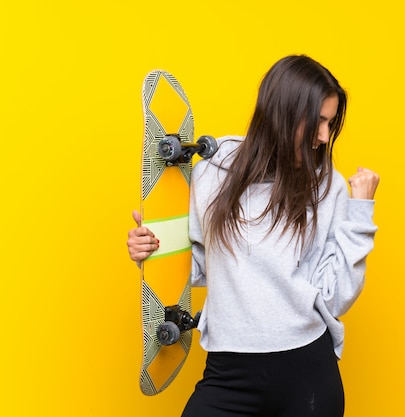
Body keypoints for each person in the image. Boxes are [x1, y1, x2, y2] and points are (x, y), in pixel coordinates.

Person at [127, 55, 380, 417]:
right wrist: (153, 249)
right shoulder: (212, 174)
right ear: (283, 113)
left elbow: (335, 297)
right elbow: (202, 268)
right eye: (318, 122)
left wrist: (360, 215)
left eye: (330, 123)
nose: (324, 137)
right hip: (229, 371)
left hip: (306, 374)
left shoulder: (328, 188)